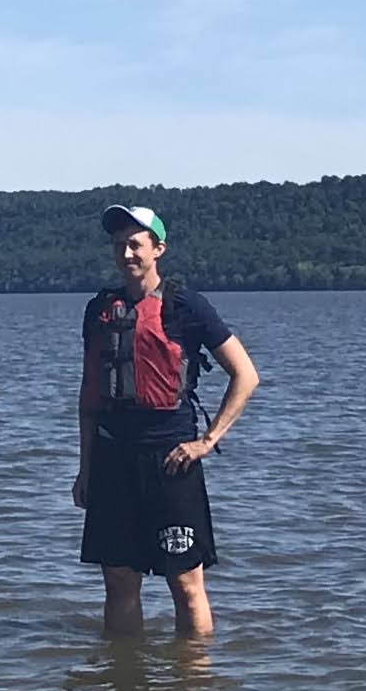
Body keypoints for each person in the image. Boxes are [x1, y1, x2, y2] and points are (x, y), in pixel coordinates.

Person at [72, 203, 260, 636]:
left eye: (136, 244)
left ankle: (191, 689)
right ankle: (124, 688)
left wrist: (207, 440)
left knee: (186, 583)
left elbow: (245, 375)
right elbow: (88, 398)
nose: (127, 254)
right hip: (113, 460)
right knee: (119, 583)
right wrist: (85, 468)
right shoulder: (98, 311)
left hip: (171, 460)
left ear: (158, 249)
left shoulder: (186, 307)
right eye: (119, 245)